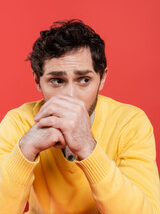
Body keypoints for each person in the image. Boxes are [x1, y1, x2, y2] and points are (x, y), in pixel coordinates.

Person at [0, 19, 160, 214]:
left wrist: (89, 149)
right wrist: (24, 151)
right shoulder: (18, 123)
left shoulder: (130, 124)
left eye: (84, 80)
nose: (70, 96)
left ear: (102, 79)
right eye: (57, 81)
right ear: (37, 81)